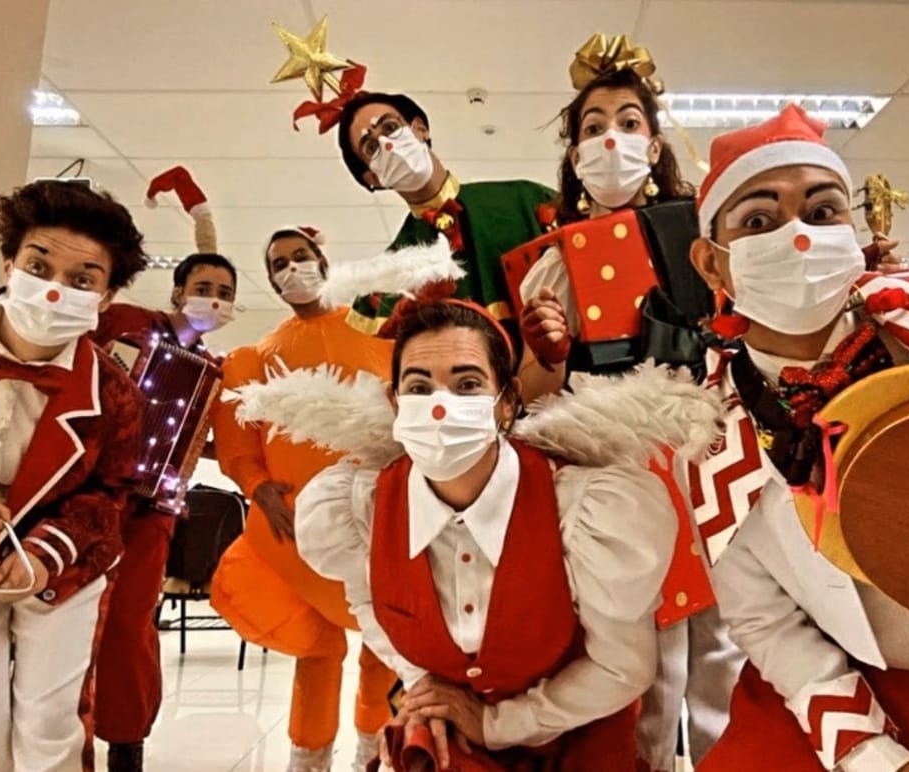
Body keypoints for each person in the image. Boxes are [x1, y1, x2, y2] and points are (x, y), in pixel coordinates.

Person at [236, 289, 722, 770]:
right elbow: (375, 611)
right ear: (395, 401)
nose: (440, 406)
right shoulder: (361, 510)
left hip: (577, 740)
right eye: (420, 388)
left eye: (467, 384)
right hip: (451, 747)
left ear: (506, 402)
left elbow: (623, 668)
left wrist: (496, 723)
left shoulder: (580, 508)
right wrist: (424, 691)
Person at [685, 104, 909, 772]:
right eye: (758, 220)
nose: (799, 238)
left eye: (820, 212)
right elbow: (767, 622)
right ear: (711, 265)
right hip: (885, 692)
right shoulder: (710, 438)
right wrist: (873, 757)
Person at [514, 38, 740, 771]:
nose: (612, 137)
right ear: (573, 151)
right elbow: (531, 396)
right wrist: (544, 351)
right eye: (592, 126)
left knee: (724, 645)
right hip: (614, 468)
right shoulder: (553, 258)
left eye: (630, 120)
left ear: (654, 137)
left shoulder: (703, 239)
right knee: (638, 653)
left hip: (707, 456)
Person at [0, 180, 146, 771]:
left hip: (56, 555)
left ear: (106, 297)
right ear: (9, 263)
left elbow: (113, 494)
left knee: (49, 722)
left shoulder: (114, 392)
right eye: (39, 266)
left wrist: (45, 552)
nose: (55, 290)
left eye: (83, 279)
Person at [210, 225, 397, 772]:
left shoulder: (380, 331)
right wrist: (255, 487)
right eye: (280, 264)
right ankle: (307, 757)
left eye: (301, 257)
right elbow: (240, 444)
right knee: (319, 647)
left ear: (323, 259)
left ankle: (377, 749)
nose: (293, 269)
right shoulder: (257, 357)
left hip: (377, 516)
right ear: (270, 281)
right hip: (293, 528)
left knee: (384, 642)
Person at [91, 166, 237, 772]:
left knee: (130, 620)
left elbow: (201, 442)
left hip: (155, 506)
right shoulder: (125, 325)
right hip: (91, 493)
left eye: (226, 293)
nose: (215, 299)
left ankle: (128, 740)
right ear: (178, 291)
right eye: (204, 286)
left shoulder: (215, 369)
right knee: (70, 618)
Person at [336, 90, 556, 340]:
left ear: (420, 128)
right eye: (372, 147)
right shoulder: (384, 285)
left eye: (390, 127)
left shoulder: (523, 201)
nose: (387, 145)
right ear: (373, 178)